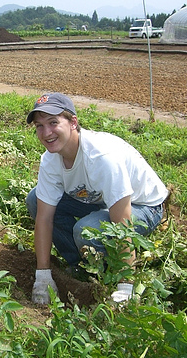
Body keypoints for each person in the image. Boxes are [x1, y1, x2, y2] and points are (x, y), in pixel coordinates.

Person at [25, 93, 168, 304]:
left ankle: (107, 273)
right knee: (35, 199)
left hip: (143, 205)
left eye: (53, 123)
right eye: (39, 126)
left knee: (86, 230)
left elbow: (123, 223)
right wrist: (42, 275)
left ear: (73, 122)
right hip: (98, 199)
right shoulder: (50, 160)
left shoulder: (101, 158)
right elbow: (44, 218)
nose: (46, 133)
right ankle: (81, 265)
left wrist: (126, 286)